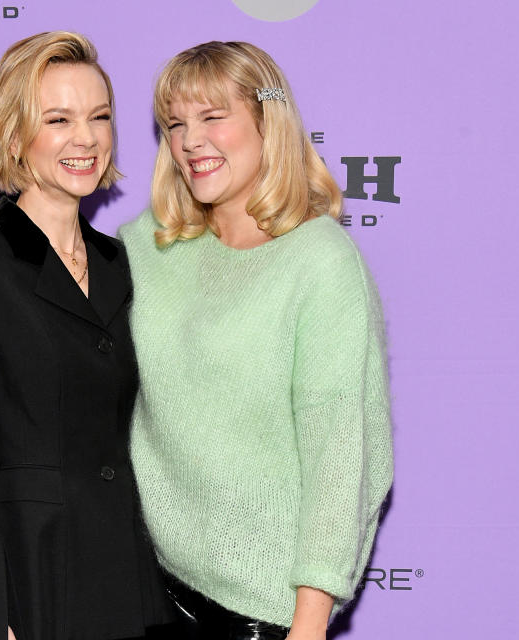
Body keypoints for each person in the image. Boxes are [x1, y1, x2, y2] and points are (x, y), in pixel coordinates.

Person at [118, 41, 394, 640]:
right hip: (146, 588)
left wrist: (310, 623)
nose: (191, 140)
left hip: (260, 613)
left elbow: (341, 450)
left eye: (214, 117)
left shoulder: (320, 262)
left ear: (268, 122)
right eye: (175, 124)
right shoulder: (147, 246)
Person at [0, 31, 172, 640]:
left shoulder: (128, 264)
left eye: (100, 117)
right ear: (13, 135)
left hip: (136, 590)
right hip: (33, 590)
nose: (85, 138)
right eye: (58, 119)